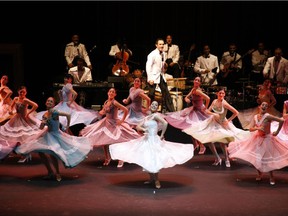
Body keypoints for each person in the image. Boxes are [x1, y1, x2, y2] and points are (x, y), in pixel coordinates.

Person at [109, 101, 194, 189]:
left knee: (154, 159)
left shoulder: (155, 116)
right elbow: (138, 126)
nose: (154, 106)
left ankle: (156, 180)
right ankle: (152, 179)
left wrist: (162, 135)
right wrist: (142, 129)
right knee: (147, 159)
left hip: (154, 140)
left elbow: (165, 123)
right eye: (152, 104)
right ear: (149, 106)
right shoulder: (146, 118)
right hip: (146, 140)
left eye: (156, 105)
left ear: (157, 108)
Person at [15, 97, 92, 182]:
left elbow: (68, 115)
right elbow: (41, 128)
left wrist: (67, 125)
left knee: (53, 153)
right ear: (45, 103)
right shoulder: (45, 115)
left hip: (55, 135)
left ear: (54, 104)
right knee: (40, 151)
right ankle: (50, 172)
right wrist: (43, 123)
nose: (49, 102)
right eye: (48, 101)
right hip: (47, 134)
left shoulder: (54, 112)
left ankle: (57, 173)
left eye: (51, 101)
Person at [183, 87, 250, 167]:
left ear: (224, 94)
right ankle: (217, 158)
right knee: (208, 140)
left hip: (222, 123)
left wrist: (228, 120)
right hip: (213, 122)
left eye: (222, 93)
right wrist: (213, 114)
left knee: (222, 142)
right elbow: (207, 111)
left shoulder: (224, 103)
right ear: (217, 94)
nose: (221, 95)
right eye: (220, 93)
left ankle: (227, 159)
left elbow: (236, 112)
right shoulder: (214, 101)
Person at [228, 101, 288, 185]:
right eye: (263, 105)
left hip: (268, 139)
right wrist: (257, 129)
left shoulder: (268, 116)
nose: (264, 106)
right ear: (259, 106)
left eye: (266, 106)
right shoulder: (255, 117)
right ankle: (260, 173)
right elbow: (250, 129)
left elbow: (281, 120)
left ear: (267, 108)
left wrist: (277, 132)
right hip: (257, 139)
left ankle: (271, 176)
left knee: (268, 158)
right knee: (256, 158)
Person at [79, 88, 141, 168]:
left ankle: (121, 158)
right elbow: (103, 112)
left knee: (118, 141)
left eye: (113, 92)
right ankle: (107, 157)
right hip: (106, 123)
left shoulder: (114, 102)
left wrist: (122, 120)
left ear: (115, 94)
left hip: (114, 123)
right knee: (104, 140)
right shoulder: (106, 102)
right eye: (110, 92)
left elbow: (125, 110)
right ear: (108, 93)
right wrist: (97, 114)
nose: (111, 93)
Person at [164, 76, 211, 154]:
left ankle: (202, 146)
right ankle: (196, 144)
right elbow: (186, 97)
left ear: (200, 83)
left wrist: (205, 108)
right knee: (189, 128)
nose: (196, 81)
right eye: (195, 79)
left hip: (200, 111)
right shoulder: (193, 89)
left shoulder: (198, 91)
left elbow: (208, 98)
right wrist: (187, 99)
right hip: (194, 110)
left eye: (198, 80)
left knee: (195, 129)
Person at [0, 86, 41, 163]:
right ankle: (10, 151)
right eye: (21, 92)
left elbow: (35, 105)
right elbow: (11, 107)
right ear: (18, 92)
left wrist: (28, 113)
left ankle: (25, 154)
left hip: (24, 119)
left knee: (24, 137)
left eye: (23, 92)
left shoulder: (25, 100)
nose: (22, 93)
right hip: (16, 118)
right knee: (12, 135)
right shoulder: (16, 99)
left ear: (26, 93)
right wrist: (11, 111)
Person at [146, 38, 175, 112]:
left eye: (163, 44)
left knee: (166, 93)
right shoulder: (152, 54)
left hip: (160, 75)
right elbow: (148, 66)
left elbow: (159, 64)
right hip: (153, 76)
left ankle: (171, 111)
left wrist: (163, 64)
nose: (162, 45)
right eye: (160, 44)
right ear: (156, 45)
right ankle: (149, 111)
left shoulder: (163, 54)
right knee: (151, 94)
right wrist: (150, 78)